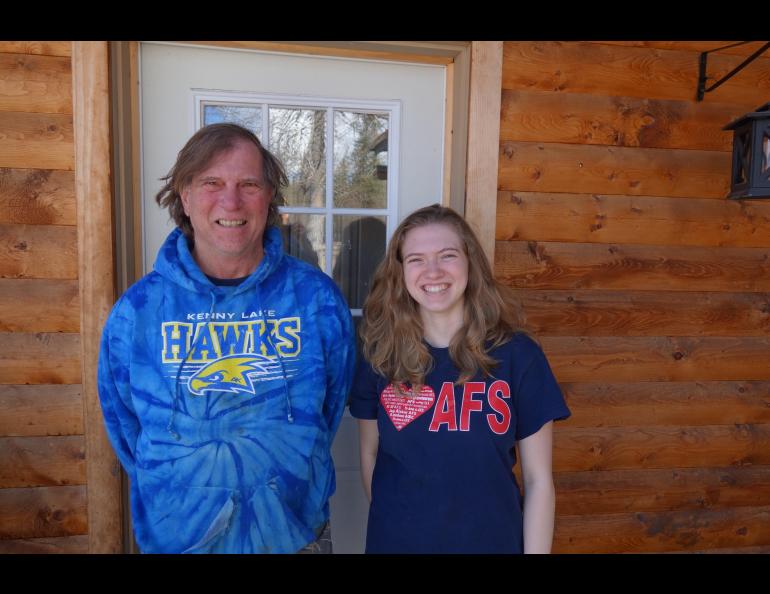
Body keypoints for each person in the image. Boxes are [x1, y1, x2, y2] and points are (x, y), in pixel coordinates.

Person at [97, 123, 355, 553]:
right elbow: (124, 426)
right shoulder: (138, 311)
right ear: (185, 195)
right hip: (180, 540)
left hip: (293, 535)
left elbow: (329, 407)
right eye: (211, 183)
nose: (230, 201)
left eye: (248, 184)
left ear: (269, 195)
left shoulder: (316, 300)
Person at [349, 204, 570, 554]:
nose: (432, 272)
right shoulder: (379, 356)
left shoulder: (517, 356)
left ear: (470, 263)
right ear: (400, 272)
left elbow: (539, 480)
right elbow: (370, 456)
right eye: (416, 259)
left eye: (447, 255)